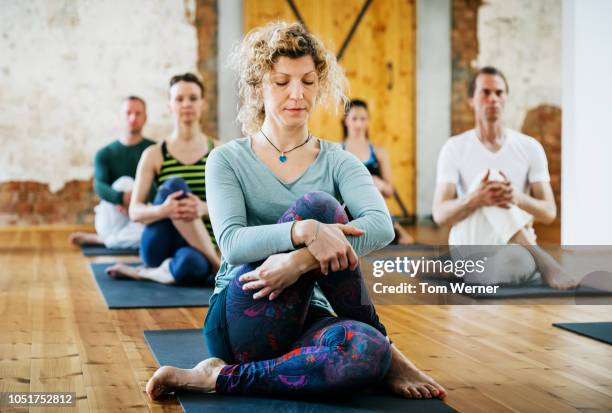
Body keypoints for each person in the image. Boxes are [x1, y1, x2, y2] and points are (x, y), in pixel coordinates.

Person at [145, 22, 446, 400]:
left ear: (320, 84)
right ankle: (392, 353)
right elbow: (233, 243)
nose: (296, 94)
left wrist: (301, 262)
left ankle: (216, 378)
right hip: (245, 307)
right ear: (258, 87)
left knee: (365, 351)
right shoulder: (226, 159)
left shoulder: (339, 161)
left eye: (307, 81)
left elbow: (381, 226)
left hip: (308, 316)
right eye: (282, 81)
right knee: (319, 207)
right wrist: (302, 232)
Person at [432, 66, 576, 289]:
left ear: (506, 98)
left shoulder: (530, 147)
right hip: (471, 241)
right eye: (486, 93)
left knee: (518, 264)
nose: (493, 100)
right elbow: (440, 215)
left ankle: (461, 273)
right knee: (491, 178)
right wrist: (476, 198)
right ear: (471, 100)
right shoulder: (454, 148)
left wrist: (516, 197)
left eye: (499, 93)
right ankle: (545, 262)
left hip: (515, 248)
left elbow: (549, 213)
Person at [106, 73, 220, 285]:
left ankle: (148, 273)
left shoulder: (220, 151)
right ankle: (218, 267)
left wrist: (203, 208)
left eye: (193, 98)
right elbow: (135, 211)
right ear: (170, 105)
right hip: (159, 243)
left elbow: (234, 206)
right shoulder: (154, 154)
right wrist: (164, 210)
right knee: (174, 185)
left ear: (203, 103)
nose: (186, 104)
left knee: (191, 267)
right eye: (179, 99)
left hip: (199, 245)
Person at [70, 96, 155, 249]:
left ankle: (102, 240)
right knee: (125, 183)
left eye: (138, 113)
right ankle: (113, 238)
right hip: (112, 217)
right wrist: (121, 198)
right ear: (120, 117)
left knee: (153, 237)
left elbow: (157, 187)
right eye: (128, 113)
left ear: (145, 118)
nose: (132, 118)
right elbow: (99, 185)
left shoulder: (153, 151)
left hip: (139, 216)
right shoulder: (105, 153)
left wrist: (135, 201)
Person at [342, 99, 414, 244]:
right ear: (346, 120)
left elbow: (389, 191)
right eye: (354, 118)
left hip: (374, 210)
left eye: (363, 119)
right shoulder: (338, 151)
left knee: (407, 241)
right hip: (346, 212)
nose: (359, 124)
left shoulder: (379, 152)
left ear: (368, 121)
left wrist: (379, 183)